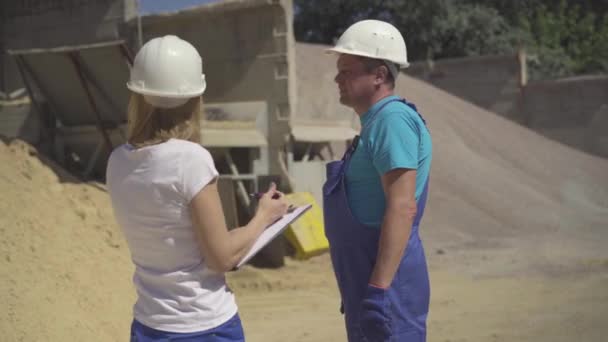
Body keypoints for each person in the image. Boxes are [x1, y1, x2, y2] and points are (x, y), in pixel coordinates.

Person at [106, 35, 288, 342]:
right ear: (195, 98)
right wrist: (264, 216)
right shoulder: (190, 160)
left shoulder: (117, 161)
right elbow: (221, 258)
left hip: (148, 326)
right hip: (203, 326)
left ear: (137, 95)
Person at [323, 20, 433, 342]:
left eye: (347, 70)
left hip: (388, 294)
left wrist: (379, 290)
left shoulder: (391, 120)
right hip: (370, 286)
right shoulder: (376, 124)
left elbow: (402, 207)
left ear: (379, 75)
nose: (337, 78)